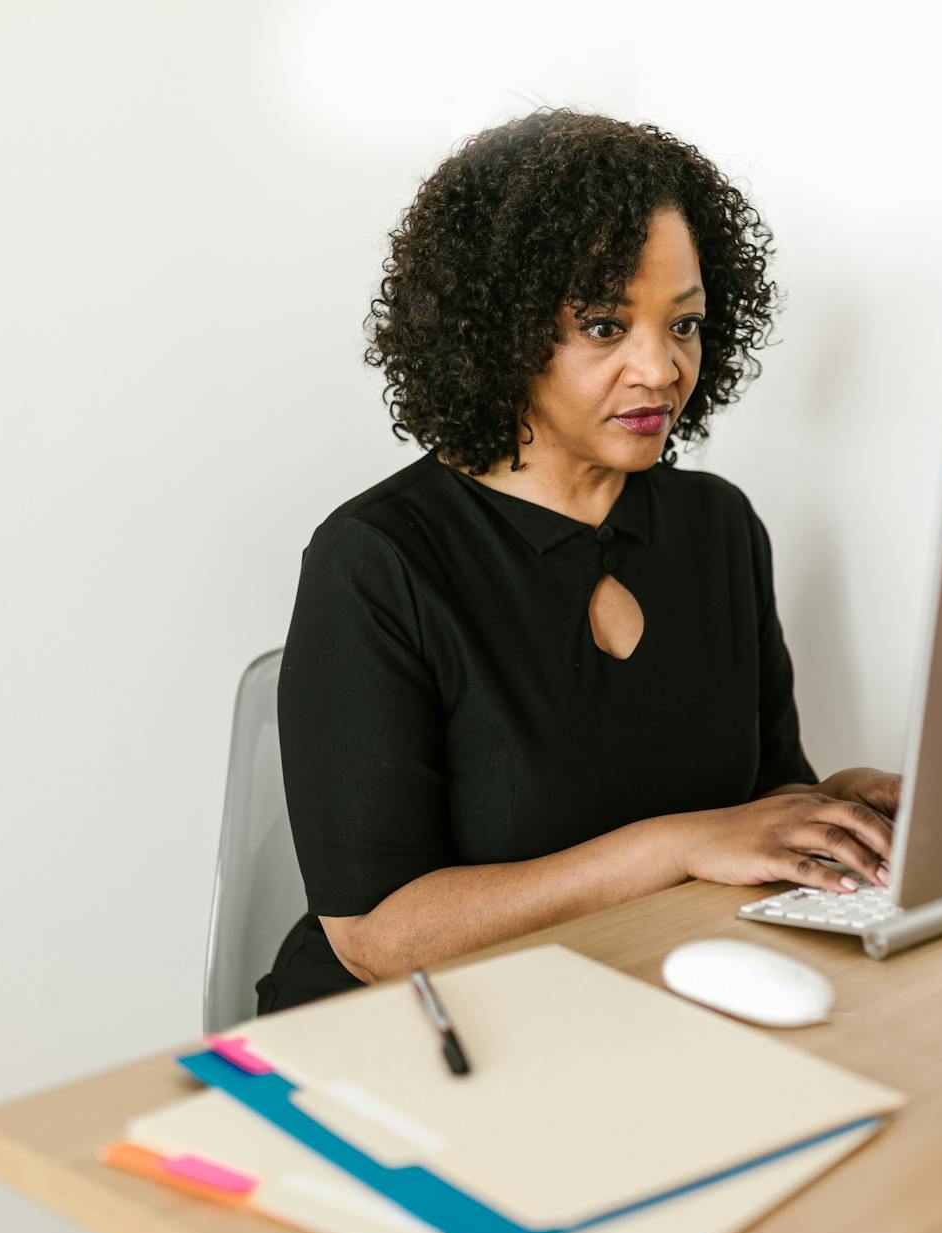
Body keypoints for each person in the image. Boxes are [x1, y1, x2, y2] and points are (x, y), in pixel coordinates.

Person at [259, 109, 901, 1013]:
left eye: (684, 325)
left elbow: (757, 795)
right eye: (605, 327)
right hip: (413, 1030)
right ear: (497, 335)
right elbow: (377, 936)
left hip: (639, 992)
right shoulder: (378, 561)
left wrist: (830, 814)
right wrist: (675, 845)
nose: (661, 368)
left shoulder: (719, 528)